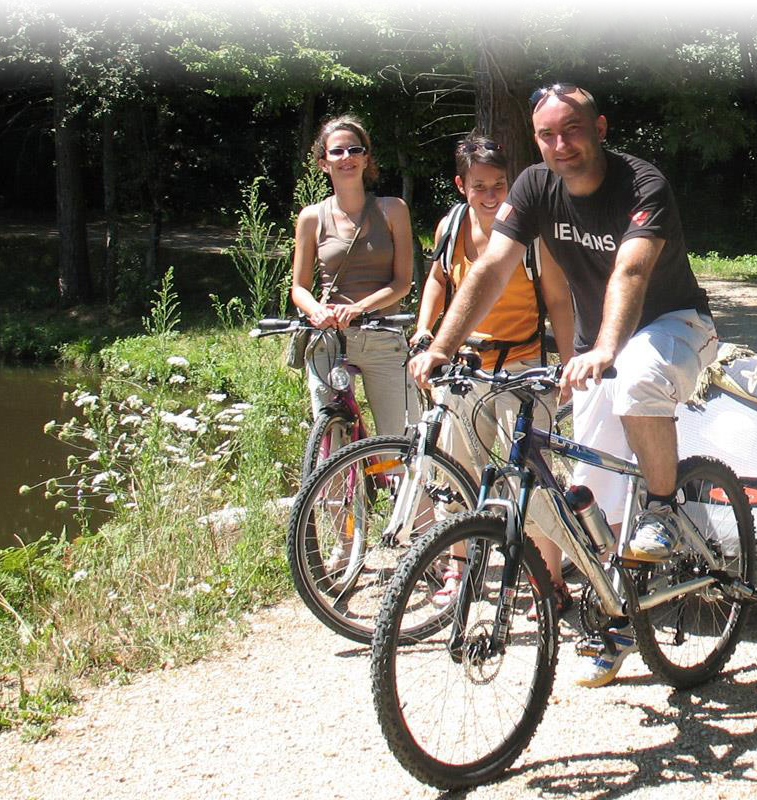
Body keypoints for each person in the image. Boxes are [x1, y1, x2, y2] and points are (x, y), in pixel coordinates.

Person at [408, 83, 718, 687]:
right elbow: (493, 267)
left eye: (571, 130)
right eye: (547, 135)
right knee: (585, 495)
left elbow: (630, 268)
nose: (559, 144)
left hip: (675, 325)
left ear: (599, 127)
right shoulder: (532, 186)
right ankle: (616, 612)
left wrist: (605, 347)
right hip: (597, 348)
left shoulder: (641, 183)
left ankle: (661, 507)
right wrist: (442, 344)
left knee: (638, 379)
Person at [411, 133, 578, 608]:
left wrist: (567, 368)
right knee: (456, 472)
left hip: (521, 367)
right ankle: (460, 572)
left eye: (499, 185)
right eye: (480, 186)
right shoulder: (451, 225)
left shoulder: (531, 232)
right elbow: (438, 279)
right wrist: (427, 330)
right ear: (461, 185)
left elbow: (558, 302)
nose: (490, 196)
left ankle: (549, 579)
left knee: (531, 477)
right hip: (465, 369)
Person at [290, 115, 416, 436]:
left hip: (382, 335)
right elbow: (299, 288)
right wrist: (316, 310)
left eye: (354, 150)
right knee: (329, 443)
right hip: (330, 338)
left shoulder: (393, 210)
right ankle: (336, 482)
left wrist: (360, 308)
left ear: (366, 158)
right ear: (323, 163)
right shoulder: (311, 218)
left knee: (399, 441)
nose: (346, 157)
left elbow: (402, 283)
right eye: (337, 152)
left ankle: (392, 479)